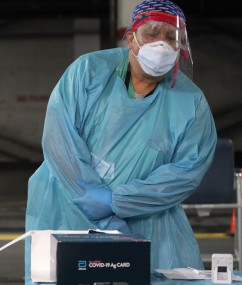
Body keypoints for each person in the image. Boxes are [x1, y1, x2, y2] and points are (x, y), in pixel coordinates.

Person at [25, 0, 217, 284]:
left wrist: (118, 201)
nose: (162, 45)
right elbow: (59, 139)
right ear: (131, 37)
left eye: (171, 38)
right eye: (152, 34)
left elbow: (187, 171)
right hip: (67, 208)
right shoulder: (89, 72)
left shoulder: (191, 103)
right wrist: (93, 202)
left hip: (144, 220)